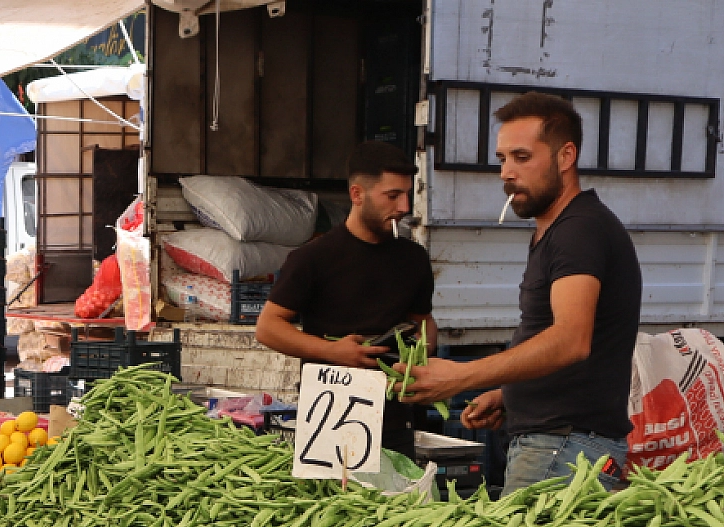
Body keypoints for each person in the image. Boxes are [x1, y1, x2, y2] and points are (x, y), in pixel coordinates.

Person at [403, 92, 642, 494]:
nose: (506, 173)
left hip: (563, 449)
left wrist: (461, 376)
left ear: (566, 156)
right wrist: (510, 395)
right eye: (502, 159)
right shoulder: (560, 229)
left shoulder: (578, 231)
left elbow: (571, 340)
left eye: (522, 157)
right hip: (560, 445)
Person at [254, 141, 437, 456]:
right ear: (357, 194)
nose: (404, 207)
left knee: (399, 488)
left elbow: (424, 322)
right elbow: (268, 327)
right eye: (392, 196)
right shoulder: (313, 257)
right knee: (333, 490)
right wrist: (333, 351)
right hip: (331, 412)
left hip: (395, 414)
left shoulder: (414, 258)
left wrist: (420, 354)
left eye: (407, 195)